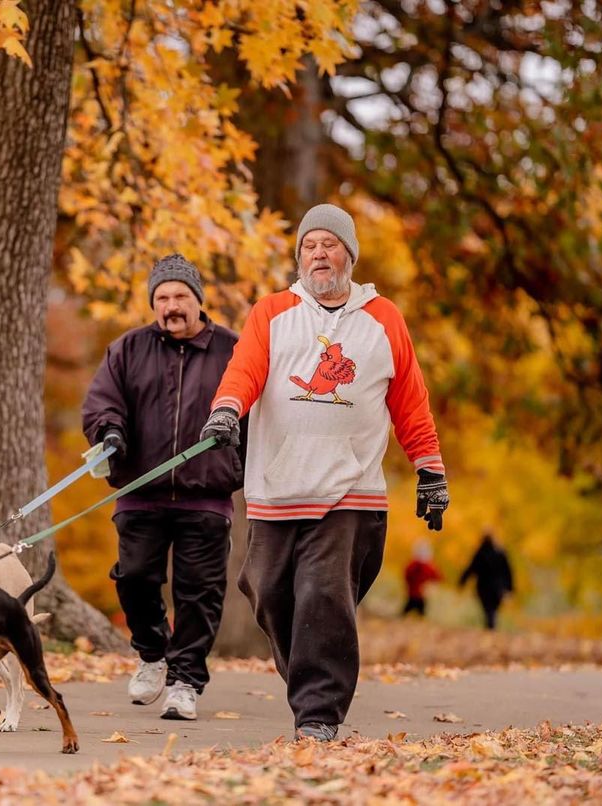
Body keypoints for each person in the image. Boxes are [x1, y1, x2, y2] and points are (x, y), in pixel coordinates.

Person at [199, 203, 449, 742]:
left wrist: (430, 470)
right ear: (299, 257)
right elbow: (244, 369)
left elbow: (411, 402)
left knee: (323, 594)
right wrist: (226, 409)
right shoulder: (271, 311)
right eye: (309, 245)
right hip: (276, 488)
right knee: (267, 593)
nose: (319, 253)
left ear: (350, 255)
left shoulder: (384, 319)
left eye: (329, 244)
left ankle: (318, 713)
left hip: (350, 490)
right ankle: (311, 678)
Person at [82, 254, 243, 721]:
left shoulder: (233, 349)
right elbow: (101, 403)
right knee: (134, 577)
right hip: (141, 487)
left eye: (180, 296)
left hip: (207, 490)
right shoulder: (128, 349)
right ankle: (153, 654)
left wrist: (240, 459)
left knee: (200, 591)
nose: (172, 305)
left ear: (199, 301)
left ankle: (185, 681)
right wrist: (110, 432)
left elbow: (255, 406)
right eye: (163, 297)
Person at [460, 532, 514, 630]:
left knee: (488, 609)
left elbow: (471, 568)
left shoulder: (480, 553)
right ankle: (491, 625)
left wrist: (462, 580)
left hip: (484, 587)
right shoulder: (500, 553)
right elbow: (508, 572)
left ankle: (490, 625)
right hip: (498, 588)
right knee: (492, 609)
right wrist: (510, 588)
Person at [401, 541, 442, 618]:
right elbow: (437, 577)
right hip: (414, 594)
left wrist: (430, 586)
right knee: (413, 611)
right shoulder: (417, 565)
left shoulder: (426, 566)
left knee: (417, 611)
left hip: (418, 595)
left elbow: (437, 577)